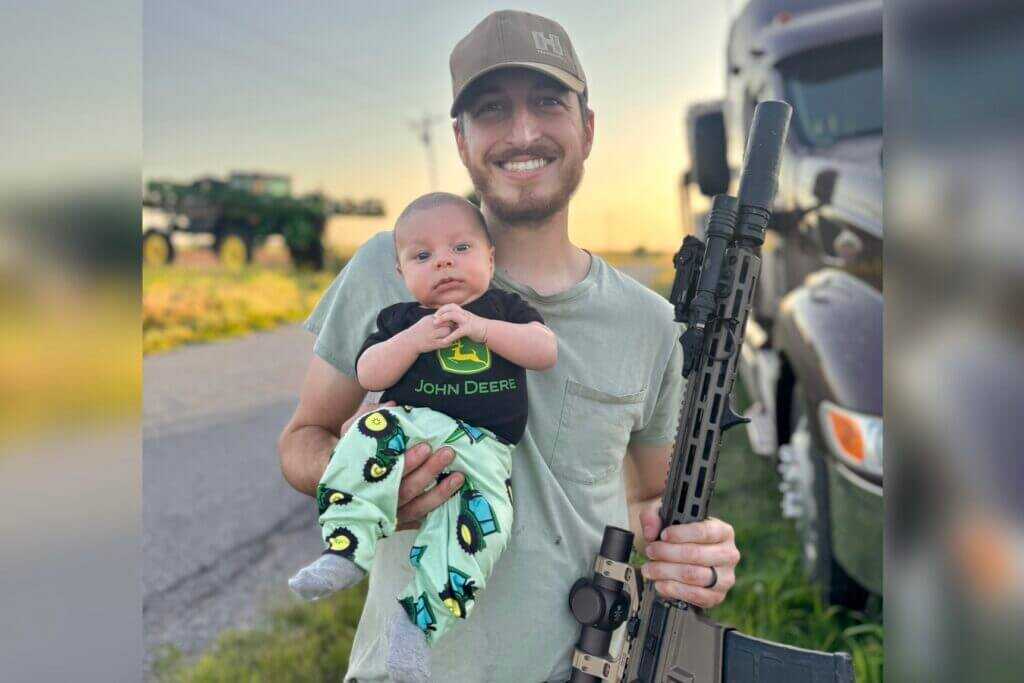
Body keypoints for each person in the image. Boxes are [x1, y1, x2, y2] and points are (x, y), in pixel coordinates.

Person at [279, 10, 741, 681]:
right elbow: (303, 436)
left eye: (548, 102)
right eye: (493, 109)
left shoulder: (647, 322)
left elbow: (650, 499)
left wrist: (697, 550)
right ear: (462, 141)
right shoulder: (391, 264)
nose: (523, 132)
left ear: (587, 126)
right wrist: (370, 482)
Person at [287, 192, 556, 682]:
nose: (445, 262)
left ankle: (418, 623)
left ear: (490, 258)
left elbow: (543, 351)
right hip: (413, 428)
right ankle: (347, 545)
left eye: (461, 248)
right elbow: (369, 372)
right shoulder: (401, 319)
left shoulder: (505, 309)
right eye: (423, 256)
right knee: (369, 431)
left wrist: (481, 328)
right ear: (401, 274)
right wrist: (413, 340)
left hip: (486, 450)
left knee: (480, 533)